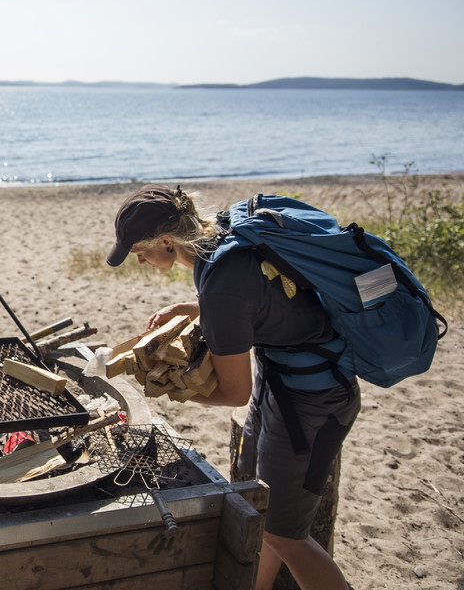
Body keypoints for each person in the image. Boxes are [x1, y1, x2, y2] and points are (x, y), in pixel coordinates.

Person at [105, 184, 360, 590]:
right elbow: (256, 299)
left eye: (140, 252)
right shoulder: (219, 239)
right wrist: (189, 307)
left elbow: (233, 393)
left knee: (285, 536)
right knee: (265, 513)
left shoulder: (222, 282)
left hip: (312, 402)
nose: (140, 261)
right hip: (284, 386)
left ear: (167, 242)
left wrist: (170, 388)